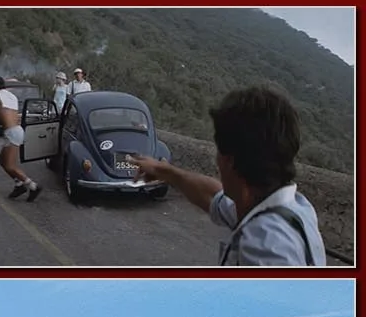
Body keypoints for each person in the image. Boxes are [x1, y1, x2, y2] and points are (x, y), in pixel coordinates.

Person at [130, 86, 325, 266]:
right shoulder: (291, 208)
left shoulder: (265, 246)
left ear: (229, 160)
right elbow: (213, 196)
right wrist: (165, 172)